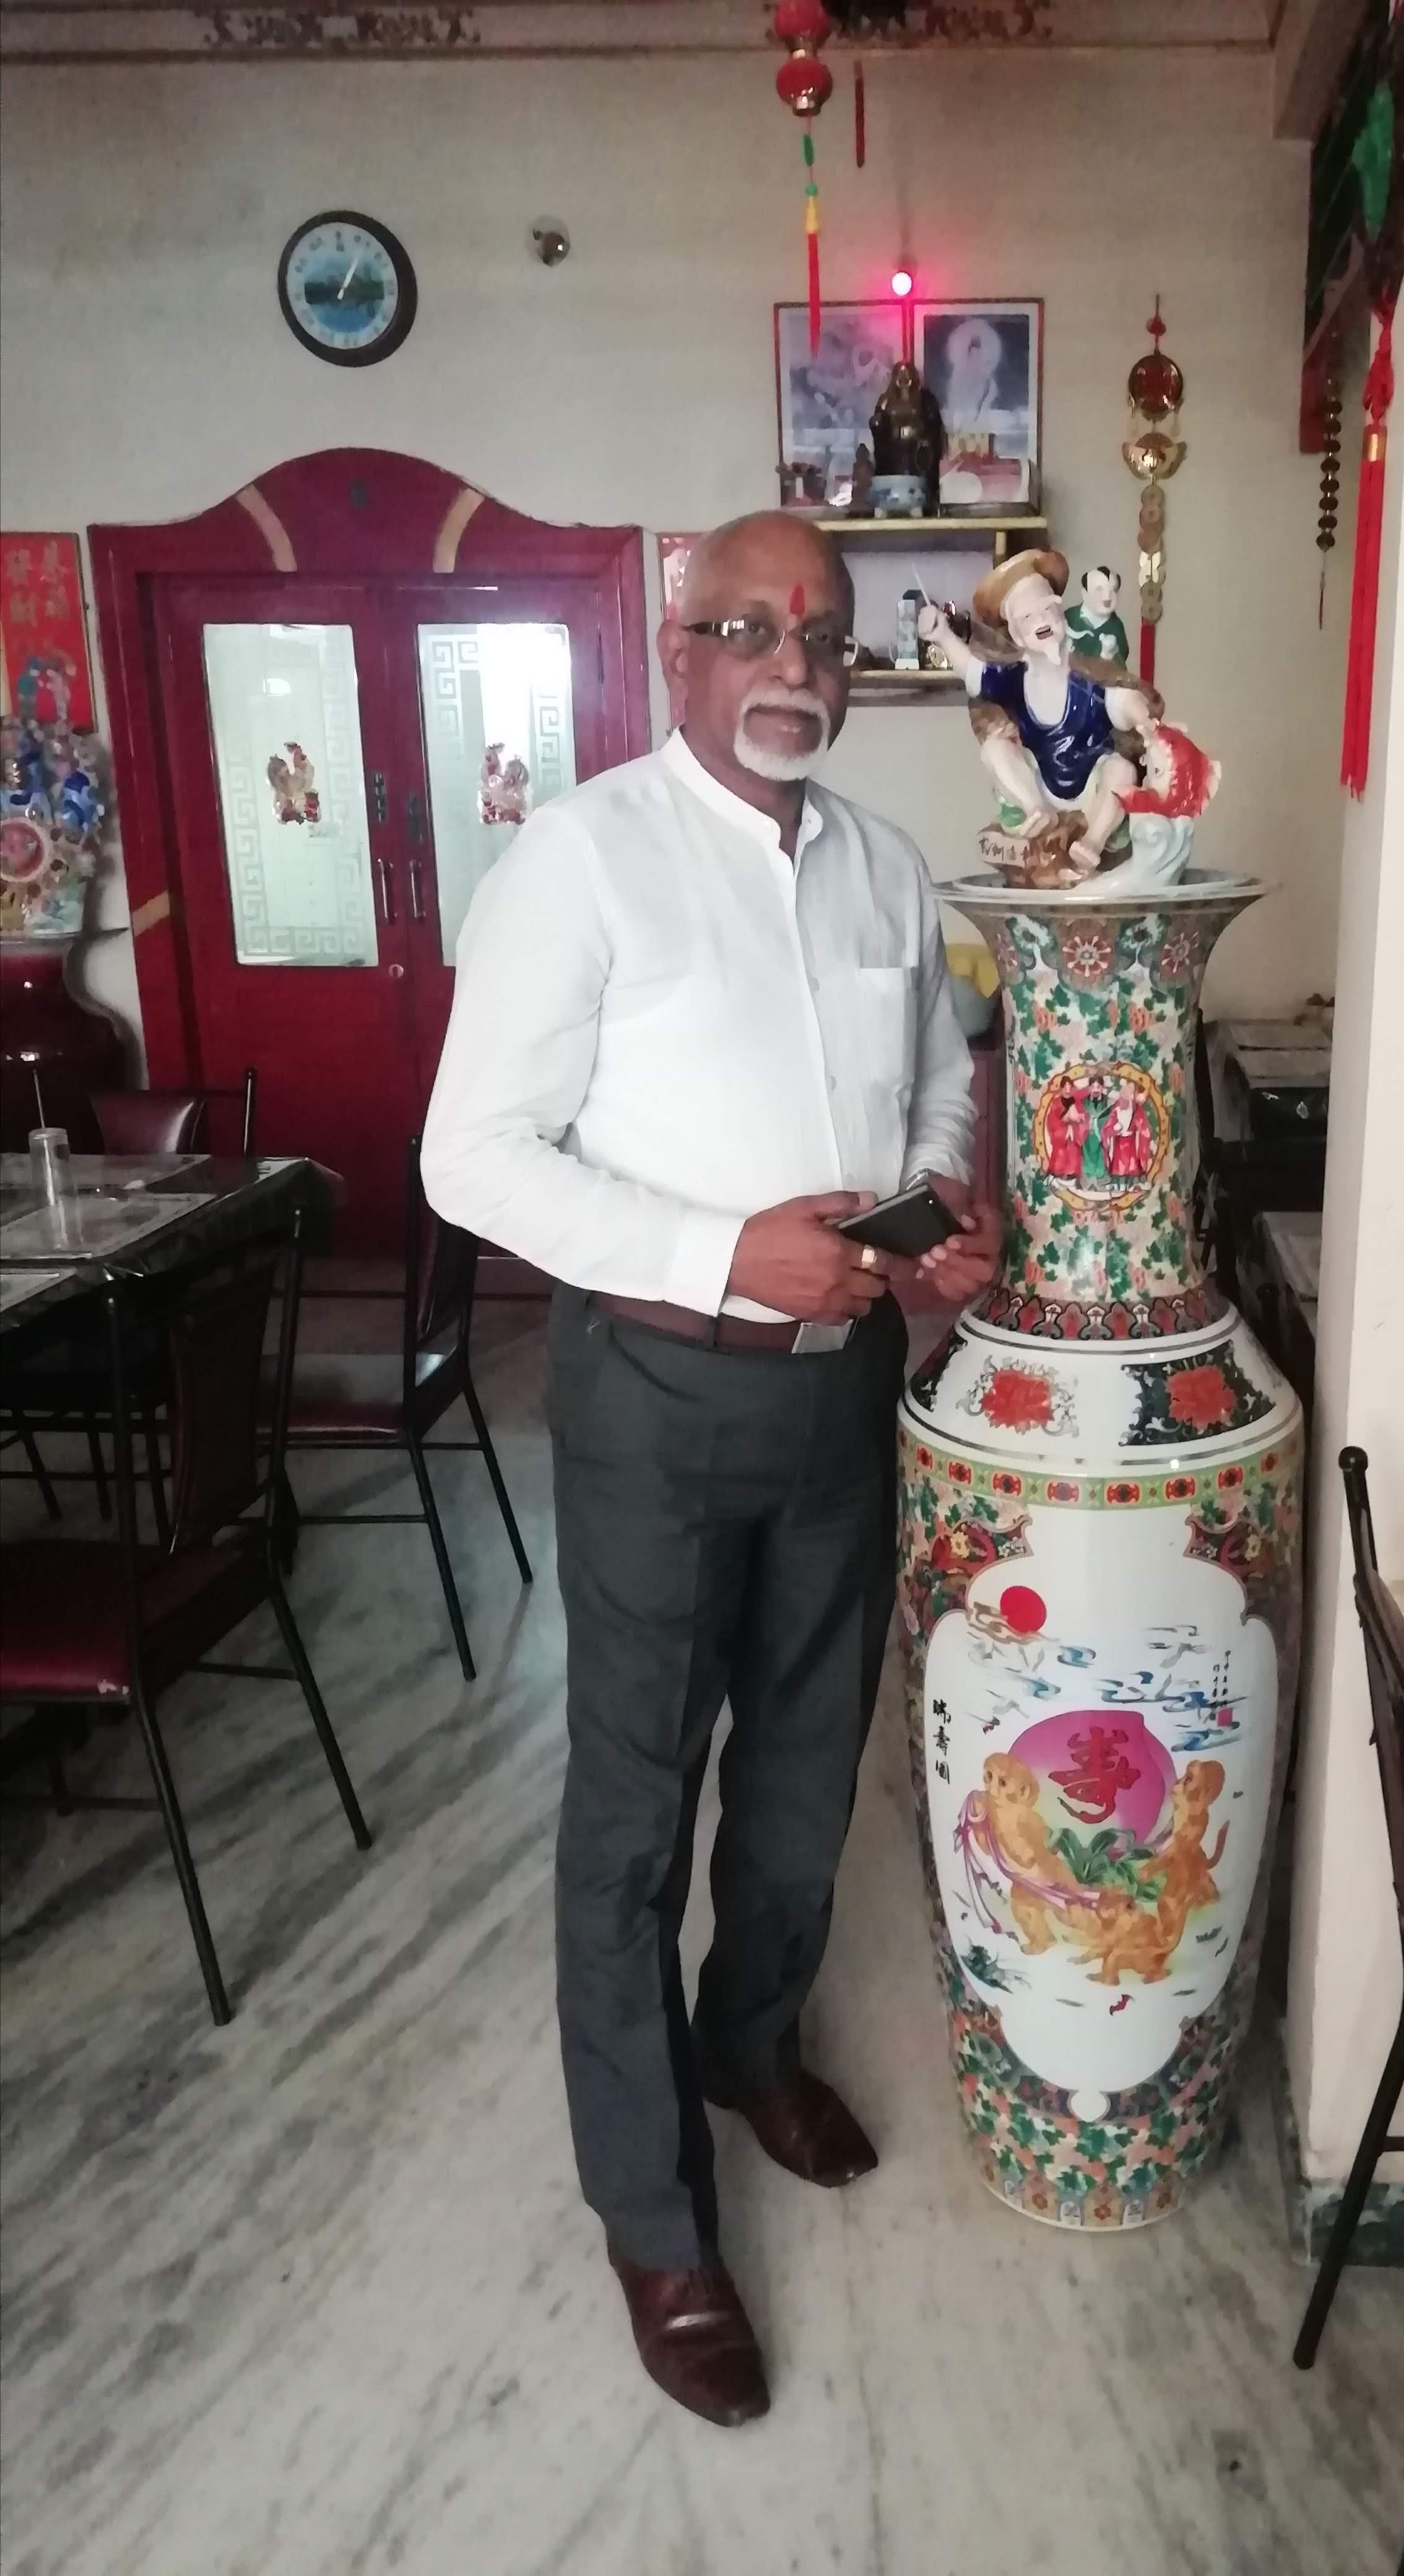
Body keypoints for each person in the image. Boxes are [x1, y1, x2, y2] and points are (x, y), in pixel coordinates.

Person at [421, 510, 1001, 2431]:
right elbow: (469, 1157)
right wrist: (718, 1251)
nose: (792, 665)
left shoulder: (887, 864)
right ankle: (655, 2218)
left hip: (845, 1397)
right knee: (634, 1806)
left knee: (810, 1765)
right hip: (660, 1399)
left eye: (821, 636)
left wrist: (938, 1213)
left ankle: (751, 2047)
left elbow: (934, 1087)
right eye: (750, 628)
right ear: (677, 648)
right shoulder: (581, 859)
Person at [921, 549, 1156, 874]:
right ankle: (1036, 810)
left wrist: (1143, 719)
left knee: (1123, 771)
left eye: (1048, 609)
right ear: (1017, 634)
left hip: (1093, 786)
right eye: (1028, 617)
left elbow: (1121, 699)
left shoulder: (1086, 671)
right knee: (994, 749)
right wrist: (942, 636)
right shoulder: (1015, 679)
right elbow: (973, 672)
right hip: (1040, 785)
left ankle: (1093, 842)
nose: (1042, 620)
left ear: (1062, 616)